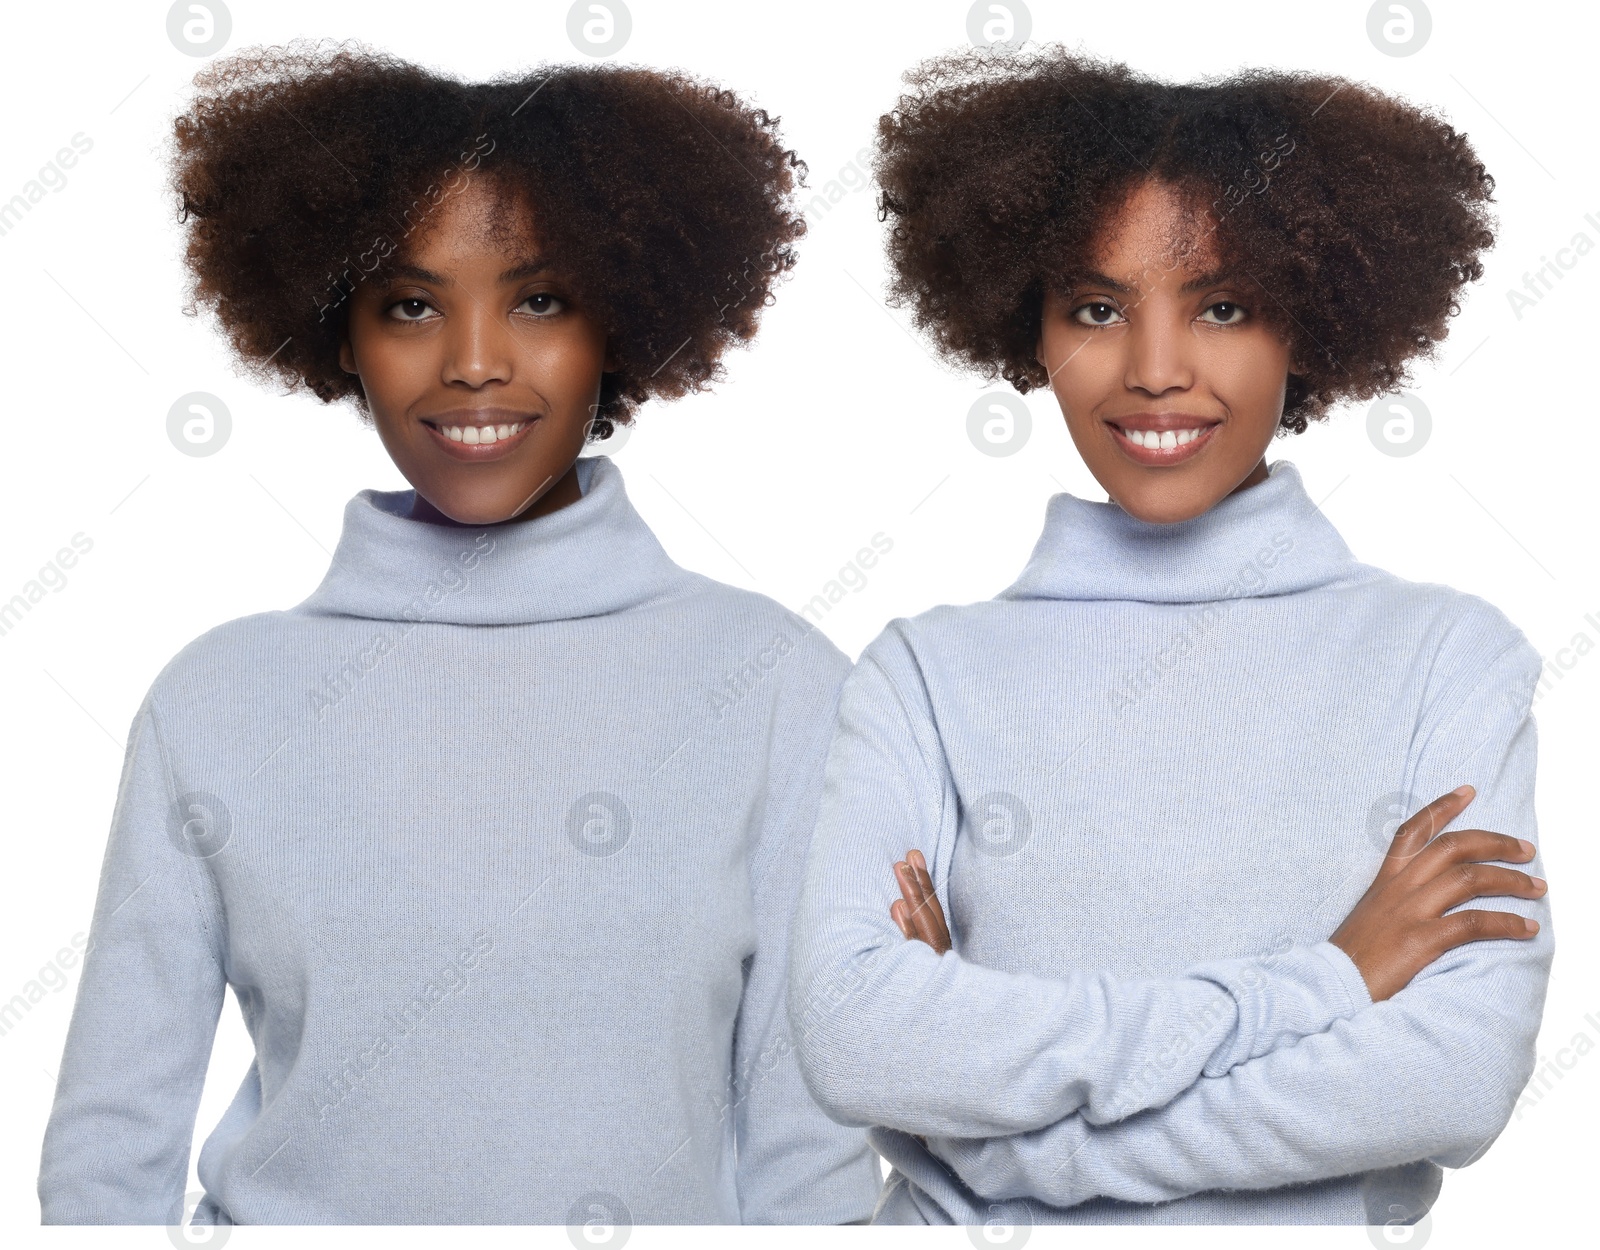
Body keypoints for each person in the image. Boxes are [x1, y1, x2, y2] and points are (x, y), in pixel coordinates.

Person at [40, 41, 880, 1226]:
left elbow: (812, 1159)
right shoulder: (218, 700)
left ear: (620, 323)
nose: (474, 361)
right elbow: (107, 1162)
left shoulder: (776, 684)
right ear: (341, 334)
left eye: (538, 299)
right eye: (411, 304)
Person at [788, 45, 1552, 1226]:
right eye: (1097, 309)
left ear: (1310, 325)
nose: (1154, 371)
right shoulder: (924, 676)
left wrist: (995, 1144)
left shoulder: (1443, 660)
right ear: (1027, 331)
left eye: (1222, 307)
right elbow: (853, 1041)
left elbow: (1450, 1080)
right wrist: (1333, 977)